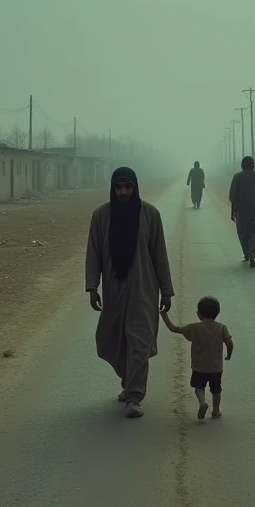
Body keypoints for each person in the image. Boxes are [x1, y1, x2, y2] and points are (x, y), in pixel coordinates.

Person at [85, 166, 174, 419]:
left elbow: (159, 253)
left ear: (135, 187)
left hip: (144, 288)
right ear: (113, 188)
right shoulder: (101, 216)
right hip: (114, 289)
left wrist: (166, 290)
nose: (123, 192)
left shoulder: (150, 214)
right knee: (110, 339)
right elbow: (94, 253)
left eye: (128, 187)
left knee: (140, 339)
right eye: (118, 187)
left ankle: (134, 396)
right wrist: (92, 286)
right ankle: (128, 380)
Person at [161, 295, 233, 419]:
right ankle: (216, 410)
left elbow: (174, 329)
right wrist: (229, 354)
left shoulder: (194, 328)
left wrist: (164, 315)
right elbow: (229, 342)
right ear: (217, 312)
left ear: (199, 314)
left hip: (199, 366)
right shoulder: (222, 327)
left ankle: (202, 403)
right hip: (216, 367)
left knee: (199, 387)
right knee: (216, 390)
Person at [229, 155, 255, 267]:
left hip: (241, 211)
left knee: (242, 233)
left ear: (242, 165)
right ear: (253, 165)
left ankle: (246, 254)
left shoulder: (237, 177)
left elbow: (233, 197)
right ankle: (252, 253)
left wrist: (232, 212)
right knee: (254, 231)